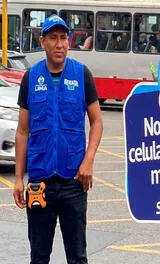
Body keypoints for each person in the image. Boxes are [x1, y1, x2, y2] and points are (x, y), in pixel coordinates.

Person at [13, 14, 103, 264]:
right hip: (39, 183)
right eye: (53, 38)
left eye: (64, 38)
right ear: (42, 42)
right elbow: (22, 131)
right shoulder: (31, 78)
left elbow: (97, 122)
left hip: (74, 181)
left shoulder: (81, 74)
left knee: (77, 257)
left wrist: (88, 161)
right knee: (39, 257)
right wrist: (19, 178)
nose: (59, 44)